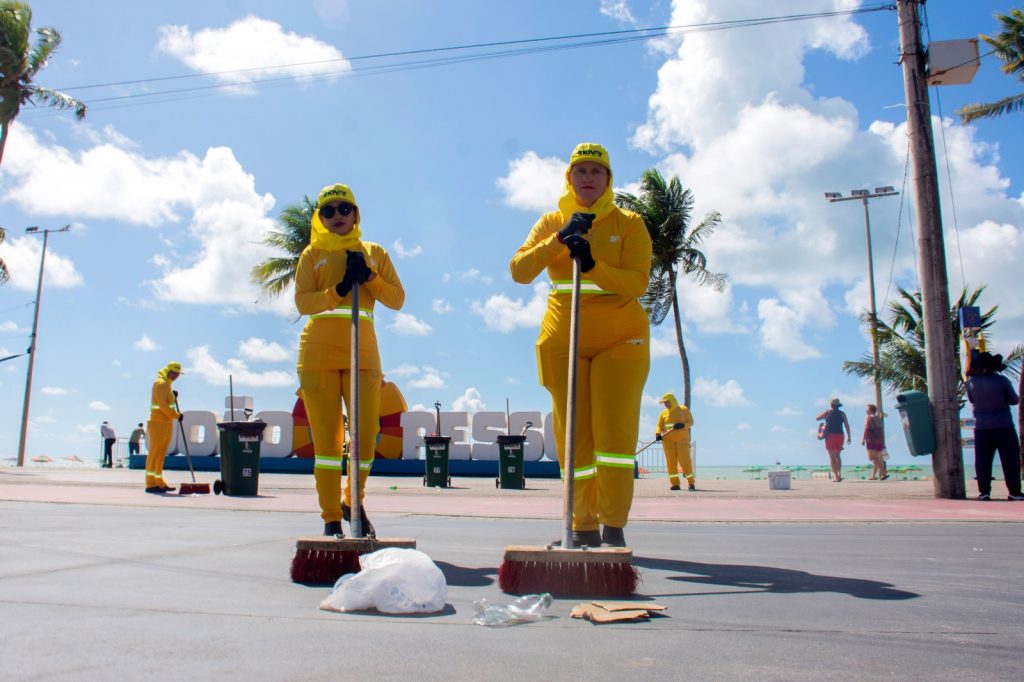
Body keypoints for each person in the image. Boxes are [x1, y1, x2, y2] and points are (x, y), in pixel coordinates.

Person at [510, 142, 651, 548]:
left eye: (597, 171)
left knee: (614, 437)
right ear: (568, 177)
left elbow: (637, 282)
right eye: (581, 170)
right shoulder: (551, 220)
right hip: (563, 339)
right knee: (574, 437)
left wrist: (592, 265)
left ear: (609, 180)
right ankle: (581, 524)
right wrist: (559, 239)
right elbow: (519, 270)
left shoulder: (629, 224)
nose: (588, 178)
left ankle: (614, 525)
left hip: (621, 339)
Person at [295, 183, 405, 537]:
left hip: (363, 354)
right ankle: (330, 518)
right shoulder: (312, 255)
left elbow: (397, 299)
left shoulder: (374, 252)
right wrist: (339, 290)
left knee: (366, 436)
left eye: (344, 209)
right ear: (321, 218)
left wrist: (369, 277)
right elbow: (303, 303)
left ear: (356, 214)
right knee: (327, 446)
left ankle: (351, 501)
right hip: (318, 357)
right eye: (329, 211)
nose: (337, 216)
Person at [966, 351, 1023, 501]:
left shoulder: (971, 383)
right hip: (1003, 425)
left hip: (982, 427)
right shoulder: (1002, 381)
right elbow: (1014, 400)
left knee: (983, 460)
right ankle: (1014, 492)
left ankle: (984, 492)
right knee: (1010, 460)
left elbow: (972, 400)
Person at [145, 362, 183, 493]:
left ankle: (158, 482)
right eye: (173, 373)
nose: (175, 376)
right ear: (167, 371)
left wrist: (173, 396)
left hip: (166, 423)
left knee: (161, 454)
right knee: (155, 453)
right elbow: (162, 406)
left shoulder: (167, 386)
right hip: (158, 423)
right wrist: (176, 415)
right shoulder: (161, 384)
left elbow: (167, 403)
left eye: (177, 374)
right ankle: (150, 483)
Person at [656, 393, 695, 491]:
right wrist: (657, 434)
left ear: (672, 401)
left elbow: (691, 422)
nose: (665, 404)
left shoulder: (683, 410)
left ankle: (691, 483)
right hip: (668, 441)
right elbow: (659, 425)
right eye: (664, 403)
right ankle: (675, 484)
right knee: (671, 463)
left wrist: (683, 425)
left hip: (682, 441)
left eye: (667, 402)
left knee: (685, 461)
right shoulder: (663, 414)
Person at [816, 398, 850, 481]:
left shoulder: (827, 412)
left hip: (830, 436)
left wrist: (824, 413)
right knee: (838, 456)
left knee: (832, 457)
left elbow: (817, 418)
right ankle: (839, 474)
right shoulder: (842, 414)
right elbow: (846, 425)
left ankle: (836, 476)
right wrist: (849, 436)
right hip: (840, 435)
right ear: (839, 405)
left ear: (831, 405)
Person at [861, 404, 888, 480]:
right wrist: (883, 441)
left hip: (871, 439)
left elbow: (866, 428)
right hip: (880, 440)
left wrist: (863, 439)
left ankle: (883, 472)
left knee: (871, 458)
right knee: (879, 458)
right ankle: (873, 476)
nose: (866, 410)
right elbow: (882, 430)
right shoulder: (878, 418)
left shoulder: (868, 417)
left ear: (870, 410)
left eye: (867, 409)